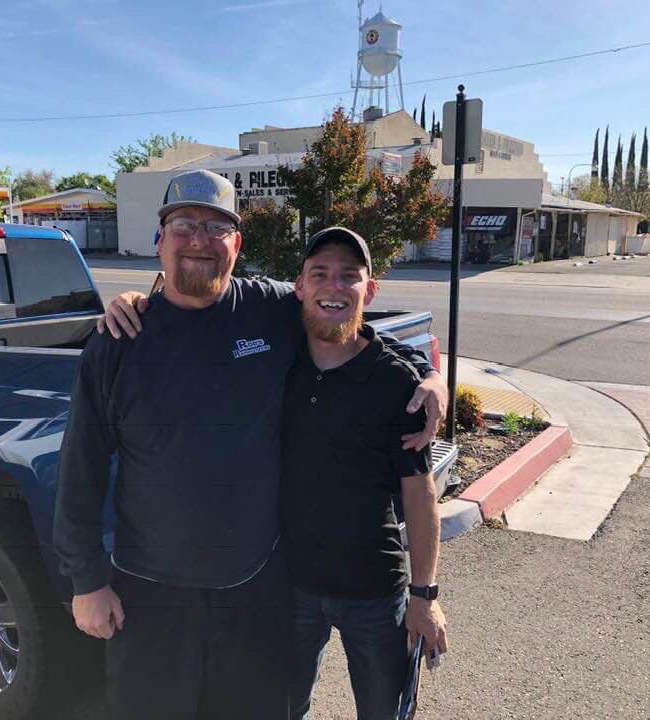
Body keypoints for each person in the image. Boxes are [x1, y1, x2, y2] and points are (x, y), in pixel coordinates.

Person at [54, 169, 446, 719]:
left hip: (255, 593)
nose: (200, 241)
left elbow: (342, 317)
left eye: (217, 229)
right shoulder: (119, 342)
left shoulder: (267, 308)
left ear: (236, 245)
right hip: (150, 592)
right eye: (185, 225)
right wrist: (87, 581)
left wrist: (426, 374)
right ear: (159, 241)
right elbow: (80, 470)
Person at [282, 227, 447, 720]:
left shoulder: (399, 383)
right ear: (300, 286)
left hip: (375, 592)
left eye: (349, 276)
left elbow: (421, 498)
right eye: (320, 274)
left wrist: (425, 597)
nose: (333, 287)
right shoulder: (276, 361)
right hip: (289, 587)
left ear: (369, 290)